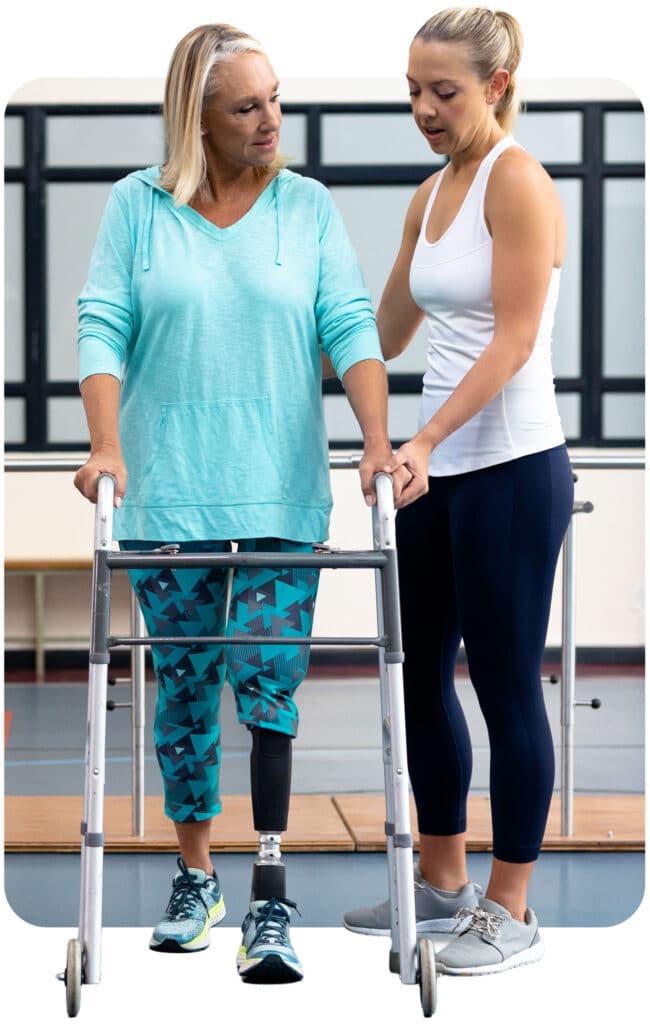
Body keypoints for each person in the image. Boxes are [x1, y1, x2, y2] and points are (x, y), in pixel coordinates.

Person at [74, 22, 394, 984]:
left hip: (279, 494)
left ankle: (270, 891)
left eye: (275, 99)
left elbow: (348, 321)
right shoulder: (137, 207)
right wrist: (104, 444)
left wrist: (378, 440)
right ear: (198, 119)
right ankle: (195, 878)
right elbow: (102, 324)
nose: (270, 120)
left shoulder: (306, 207)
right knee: (184, 693)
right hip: (169, 494)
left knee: (268, 691)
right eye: (247, 106)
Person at [342, 7, 575, 975]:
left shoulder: (517, 180)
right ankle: (441, 880)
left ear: (495, 82)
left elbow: (513, 339)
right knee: (419, 673)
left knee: (504, 682)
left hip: (509, 467)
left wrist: (425, 438)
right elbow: (388, 328)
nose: (424, 110)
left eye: (442, 91)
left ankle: (510, 905)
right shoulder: (430, 192)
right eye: (412, 92)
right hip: (432, 473)